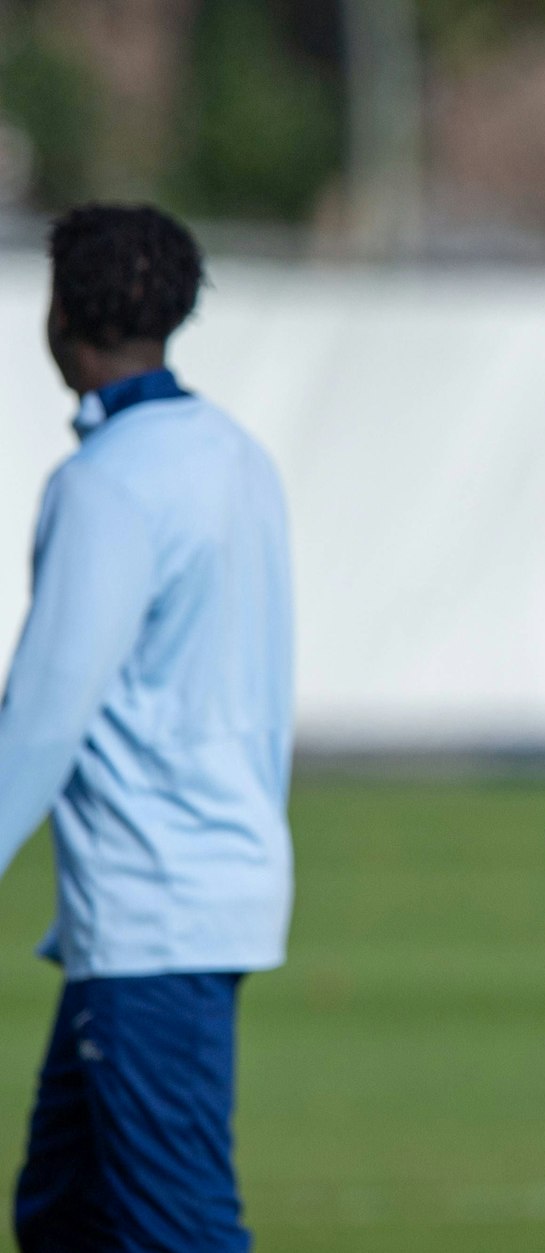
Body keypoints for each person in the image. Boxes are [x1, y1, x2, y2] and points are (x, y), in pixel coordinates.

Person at [0, 204, 294, 1252]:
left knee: (178, 1226)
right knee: (63, 1215)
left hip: (153, 904)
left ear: (61, 314)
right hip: (208, 880)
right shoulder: (236, 455)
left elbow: (41, 714)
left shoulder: (104, 482)